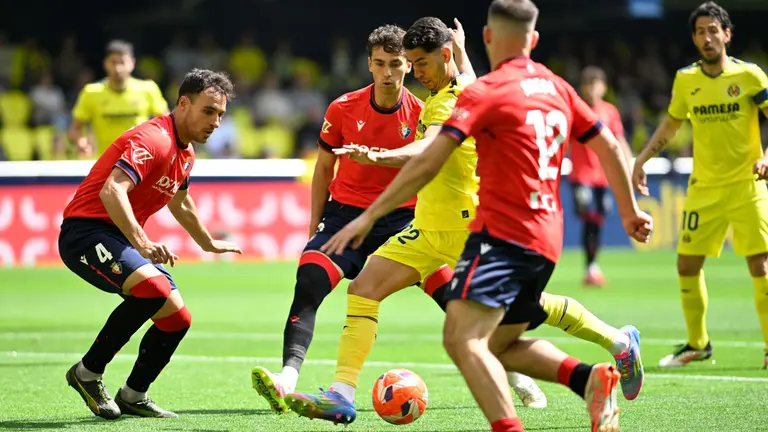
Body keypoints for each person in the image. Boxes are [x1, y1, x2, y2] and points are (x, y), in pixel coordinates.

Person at [314, 1, 653, 431]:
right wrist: (464, 53)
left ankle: (616, 342)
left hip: (465, 228)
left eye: (421, 63)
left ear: (445, 55)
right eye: (412, 63)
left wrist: (380, 157)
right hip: (428, 229)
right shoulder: (467, 89)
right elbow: (473, 81)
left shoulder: (452, 101)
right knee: (364, 289)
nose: (415, 72)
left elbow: (426, 153)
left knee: (509, 322)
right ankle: (342, 393)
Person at [249, 25, 427, 414]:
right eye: (379, 63)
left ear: (408, 67)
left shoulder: (422, 114)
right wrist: (315, 223)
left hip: (400, 220)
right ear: (368, 64)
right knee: (310, 278)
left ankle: (511, 370)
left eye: (395, 64)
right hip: (345, 217)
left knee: (451, 290)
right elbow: (324, 167)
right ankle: (287, 379)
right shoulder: (343, 107)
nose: (386, 73)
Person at [60, 69, 241, 419]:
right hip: (85, 232)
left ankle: (133, 394)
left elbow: (181, 202)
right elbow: (111, 190)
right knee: (155, 289)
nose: (216, 122)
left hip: (113, 236)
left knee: (177, 318)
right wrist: (141, 241)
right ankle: (87, 373)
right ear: (183, 104)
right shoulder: (153, 139)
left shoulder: (185, 153)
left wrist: (207, 243)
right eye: (208, 111)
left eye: (221, 114)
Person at [633, 1, 768, 369]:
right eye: (699, 31)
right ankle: (698, 344)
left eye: (713, 30)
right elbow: (672, 123)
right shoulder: (686, 79)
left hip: (746, 186)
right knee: (686, 265)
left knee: (761, 266)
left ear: (727, 34)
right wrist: (642, 158)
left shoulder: (751, 76)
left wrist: (766, 157)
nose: (706, 37)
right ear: (693, 38)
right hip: (703, 189)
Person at [568, 66, 634, 287]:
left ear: (604, 88)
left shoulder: (610, 112)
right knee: (589, 218)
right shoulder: (575, 110)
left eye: (596, 84)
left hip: (603, 177)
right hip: (581, 176)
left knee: (598, 221)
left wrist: (630, 165)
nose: (592, 89)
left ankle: (592, 266)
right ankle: (590, 268)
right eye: (588, 84)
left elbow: (619, 141)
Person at [70, 40, 169, 158]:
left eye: (122, 62)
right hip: (104, 163)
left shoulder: (148, 89)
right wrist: (81, 142)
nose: (118, 68)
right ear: (105, 64)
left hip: (139, 162)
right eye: (113, 62)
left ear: (132, 63)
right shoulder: (91, 92)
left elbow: (167, 125)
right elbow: (75, 129)